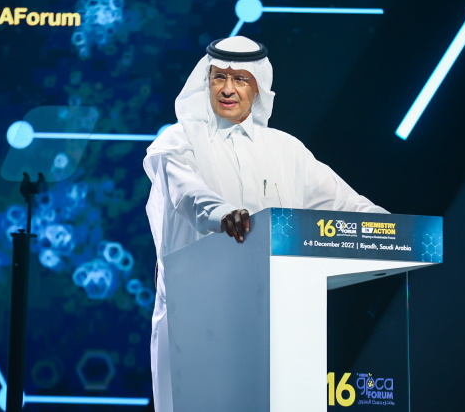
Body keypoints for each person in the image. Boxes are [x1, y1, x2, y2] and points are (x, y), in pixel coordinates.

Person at [142, 35, 388, 412]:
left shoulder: (285, 151)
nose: (228, 89)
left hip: (275, 318)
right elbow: (187, 193)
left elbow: (343, 202)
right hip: (197, 319)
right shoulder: (178, 142)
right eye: (219, 77)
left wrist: (392, 231)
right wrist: (224, 214)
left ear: (257, 87)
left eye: (240, 79)